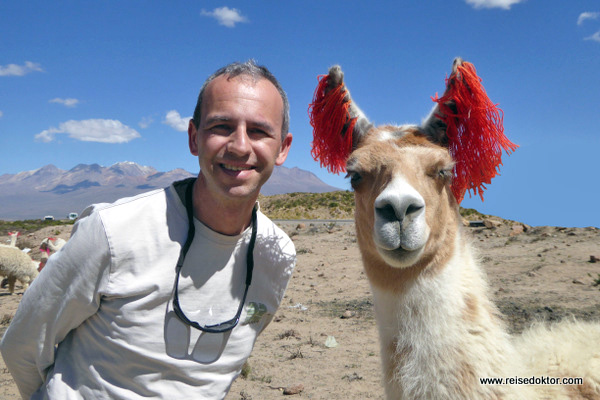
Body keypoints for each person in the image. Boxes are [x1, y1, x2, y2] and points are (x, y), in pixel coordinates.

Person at [1, 60, 296, 399]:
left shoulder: (277, 254)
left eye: (259, 131)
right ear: (193, 138)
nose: (240, 145)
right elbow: (22, 347)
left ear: (283, 147)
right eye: (221, 126)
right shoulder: (113, 231)